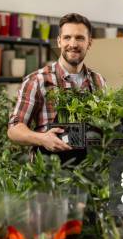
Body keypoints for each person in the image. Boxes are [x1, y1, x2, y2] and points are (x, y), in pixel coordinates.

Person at [7, 13, 106, 160]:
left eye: (80, 38)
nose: (73, 44)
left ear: (89, 43)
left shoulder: (98, 81)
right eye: (67, 37)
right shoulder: (38, 80)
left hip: (89, 173)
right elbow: (14, 129)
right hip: (50, 174)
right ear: (59, 42)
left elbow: (104, 126)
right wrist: (42, 139)